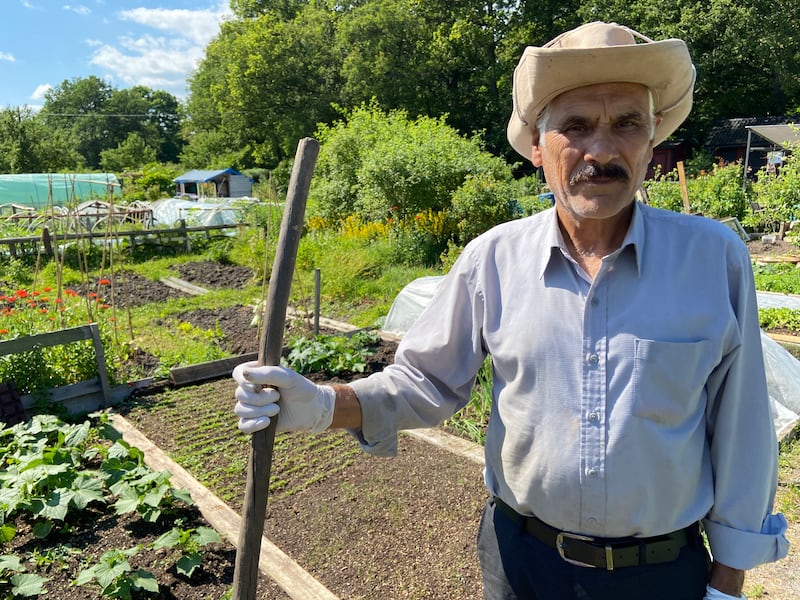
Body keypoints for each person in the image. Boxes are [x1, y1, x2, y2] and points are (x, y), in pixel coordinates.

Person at [233, 21, 789, 600]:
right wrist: (325, 405)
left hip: (662, 574)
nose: (601, 150)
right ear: (536, 148)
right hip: (522, 564)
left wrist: (727, 583)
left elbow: (743, 426)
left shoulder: (712, 257)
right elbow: (425, 381)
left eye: (627, 123)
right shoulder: (492, 259)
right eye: (575, 126)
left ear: (652, 141)